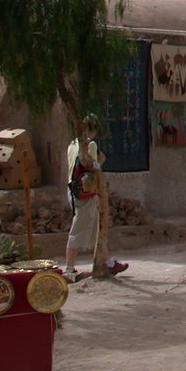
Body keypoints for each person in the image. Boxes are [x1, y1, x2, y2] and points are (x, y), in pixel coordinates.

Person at [63, 114, 128, 277]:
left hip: (73, 190)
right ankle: (69, 268)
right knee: (78, 229)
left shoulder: (72, 145)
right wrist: (100, 161)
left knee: (96, 228)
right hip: (85, 192)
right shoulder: (89, 145)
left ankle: (108, 262)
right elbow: (92, 166)